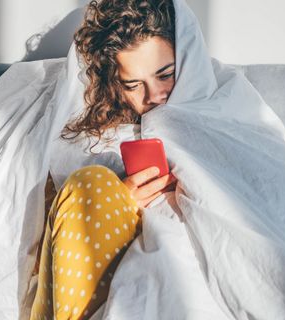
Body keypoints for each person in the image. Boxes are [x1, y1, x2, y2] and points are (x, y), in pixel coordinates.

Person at [30, 0, 180, 318]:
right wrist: (120, 202)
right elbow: (48, 238)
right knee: (91, 184)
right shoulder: (85, 136)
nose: (153, 95)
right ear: (114, 83)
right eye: (133, 84)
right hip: (99, 279)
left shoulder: (227, 108)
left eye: (165, 75)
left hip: (179, 268)